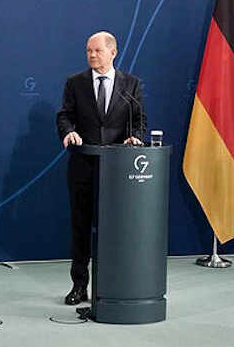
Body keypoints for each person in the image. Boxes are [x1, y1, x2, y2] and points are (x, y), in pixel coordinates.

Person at [55, 31, 145, 305]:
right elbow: (64, 116)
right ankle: (79, 286)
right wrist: (69, 132)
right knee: (81, 229)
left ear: (112, 53)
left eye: (97, 51)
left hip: (117, 171)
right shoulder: (75, 83)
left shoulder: (131, 84)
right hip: (83, 166)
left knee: (113, 230)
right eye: (88, 51)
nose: (92, 55)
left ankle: (111, 286)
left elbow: (138, 120)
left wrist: (136, 137)